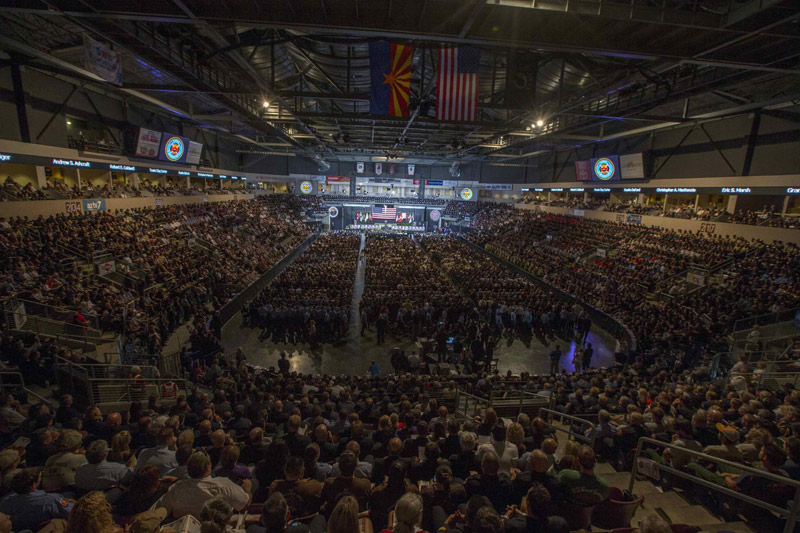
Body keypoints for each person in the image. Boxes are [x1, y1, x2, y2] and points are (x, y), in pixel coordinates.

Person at [157, 451, 251, 519]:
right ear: (208, 467)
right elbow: (244, 504)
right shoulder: (224, 484)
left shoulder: (176, 488)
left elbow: (159, 510)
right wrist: (247, 490)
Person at [504, 483, 569, 533]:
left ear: (528, 503)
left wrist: (507, 516)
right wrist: (521, 514)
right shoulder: (560, 524)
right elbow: (534, 521)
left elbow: (499, 528)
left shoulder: (513, 526)